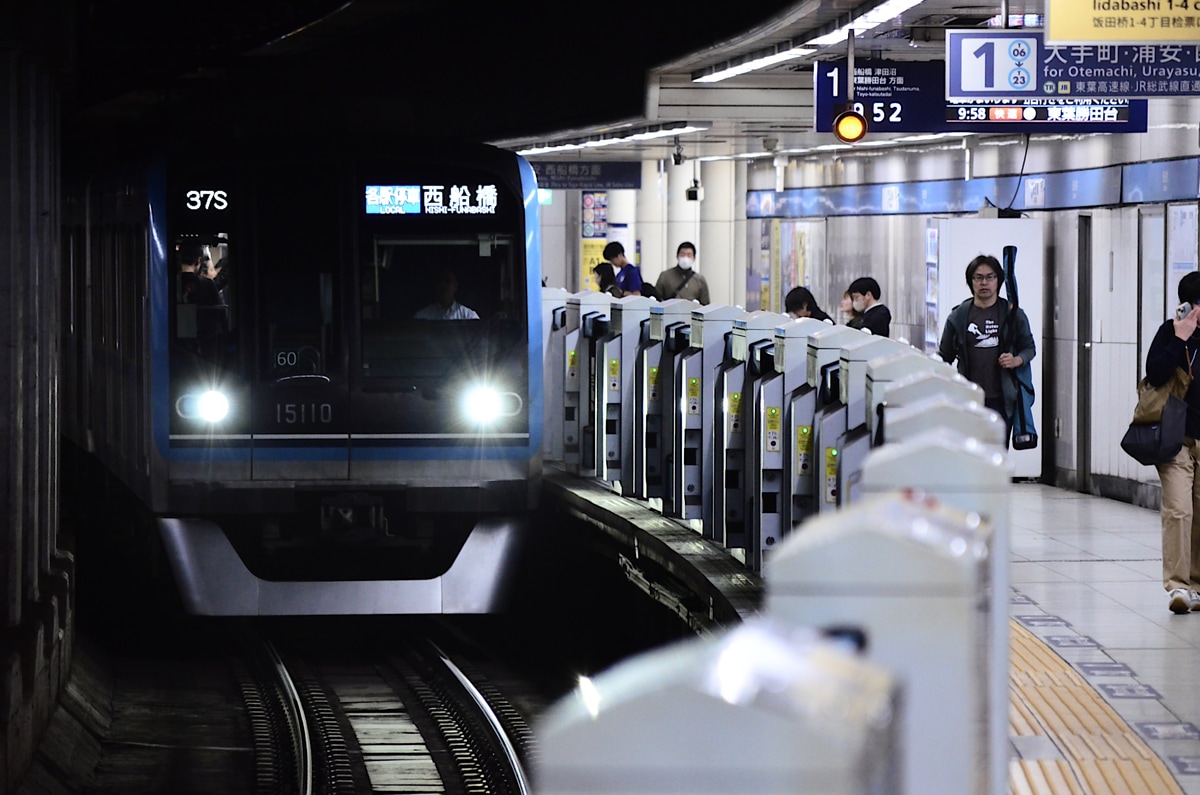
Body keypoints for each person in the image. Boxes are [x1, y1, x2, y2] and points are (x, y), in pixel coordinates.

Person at [936, 254, 1036, 451]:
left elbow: (1029, 348)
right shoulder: (958, 316)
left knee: (997, 453)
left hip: (1001, 399)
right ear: (970, 282)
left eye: (990, 277)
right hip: (967, 399)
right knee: (969, 455)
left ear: (998, 281)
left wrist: (1016, 360)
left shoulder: (1012, 314)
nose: (984, 283)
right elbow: (944, 356)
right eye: (978, 277)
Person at [1145, 271, 1200, 613]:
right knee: (1179, 509)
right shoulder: (1170, 334)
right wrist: (1180, 339)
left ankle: (1197, 582)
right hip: (1176, 438)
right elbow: (1155, 374)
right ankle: (1179, 587)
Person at [415, 270, 479, 320]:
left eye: (448, 281)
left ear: (455, 286)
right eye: (440, 281)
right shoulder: (421, 317)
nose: (443, 285)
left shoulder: (470, 316)